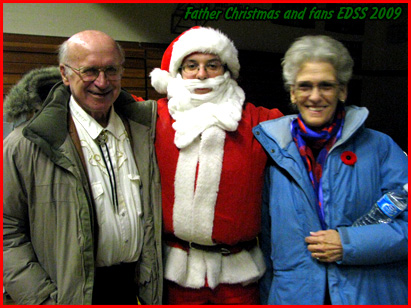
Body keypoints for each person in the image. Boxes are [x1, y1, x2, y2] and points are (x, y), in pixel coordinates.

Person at [3, 30, 163, 305]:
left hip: (133, 293)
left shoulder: (145, 132)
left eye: (111, 70)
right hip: (64, 295)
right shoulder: (27, 144)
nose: (102, 82)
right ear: (65, 74)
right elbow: (7, 230)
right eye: (89, 71)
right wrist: (40, 298)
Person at [253, 35, 408, 305]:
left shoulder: (381, 147)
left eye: (326, 85)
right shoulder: (273, 152)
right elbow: (268, 245)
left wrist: (348, 243)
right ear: (292, 92)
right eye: (305, 86)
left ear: (343, 91)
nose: (315, 96)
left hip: (367, 295)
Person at [150, 26, 283, 304]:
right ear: (177, 72)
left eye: (212, 65)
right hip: (176, 275)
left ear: (226, 70)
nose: (201, 74)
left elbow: (309, 133)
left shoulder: (260, 121)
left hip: (240, 276)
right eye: (191, 66)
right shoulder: (153, 117)